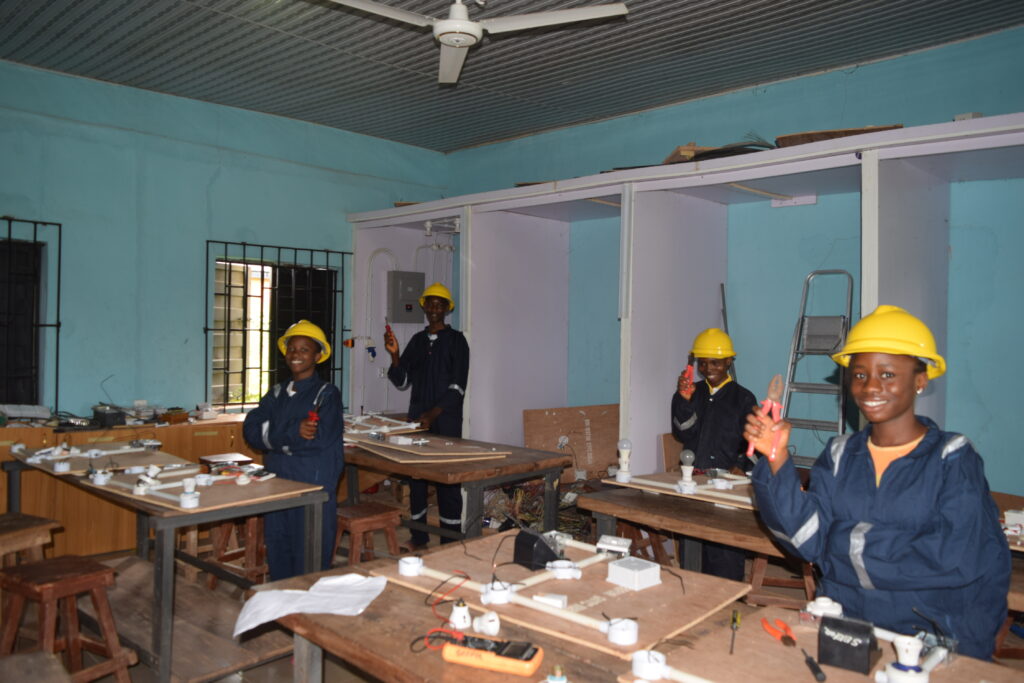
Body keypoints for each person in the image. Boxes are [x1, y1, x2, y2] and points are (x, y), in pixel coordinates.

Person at [745, 305, 1010, 660]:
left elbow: (954, 555)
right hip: (850, 626)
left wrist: (844, 542)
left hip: (934, 636)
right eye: (859, 374)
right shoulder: (840, 454)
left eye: (887, 374)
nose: (870, 386)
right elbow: (807, 541)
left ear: (920, 380)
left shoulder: (952, 457)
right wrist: (776, 458)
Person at [243, 320, 344, 580]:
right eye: (291, 348)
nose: (295, 354)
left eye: (304, 349)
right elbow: (251, 431)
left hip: (312, 487)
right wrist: (293, 431)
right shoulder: (276, 393)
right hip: (278, 483)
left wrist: (273, 438)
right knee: (279, 550)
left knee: (310, 557)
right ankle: (282, 603)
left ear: (318, 356)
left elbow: (316, 441)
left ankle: (308, 604)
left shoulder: (326, 395)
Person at [384, 282, 470, 549]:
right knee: (417, 477)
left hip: (445, 420)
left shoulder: (457, 341)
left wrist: (433, 414)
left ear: (446, 309)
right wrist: (395, 356)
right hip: (417, 419)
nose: (434, 308)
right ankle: (419, 537)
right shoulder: (417, 341)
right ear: (423, 307)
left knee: (447, 479)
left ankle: (449, 542)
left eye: (439, 304)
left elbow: (458, 387)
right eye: (429, 303)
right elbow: (402, 381)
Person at [671, 327, 757, 581]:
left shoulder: (743, 398)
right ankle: (693, 593)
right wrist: (684, 401)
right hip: (695, 481)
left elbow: (754, 443)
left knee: (724, 549)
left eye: (716, 362)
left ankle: (726, 595)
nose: (708, 368)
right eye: (703, 362)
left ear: (729, 361)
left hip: (726, 484)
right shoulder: (692, 393)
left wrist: (741, 465)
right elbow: (682, 433)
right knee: (693, 545)